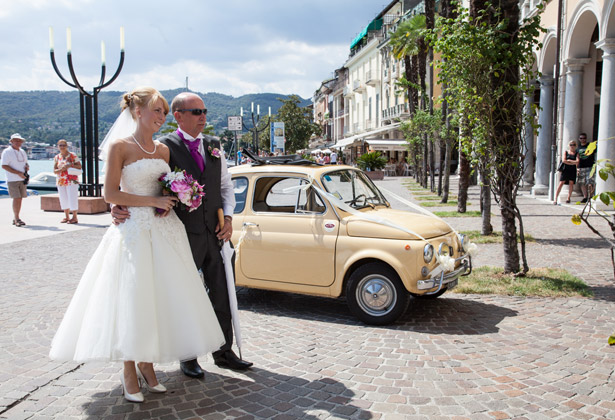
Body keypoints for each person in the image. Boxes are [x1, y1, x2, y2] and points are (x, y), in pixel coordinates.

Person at [49, 87, 225, 403]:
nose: (161, 117)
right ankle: (129, 367)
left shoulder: (163, 151)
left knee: (160, 297)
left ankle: (147, 362)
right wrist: (149, 200)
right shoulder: (120, 147)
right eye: (157, 110)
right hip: (134, 230)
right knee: (133, 296)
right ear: (137, 112)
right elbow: (111, 194)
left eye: (163, 112)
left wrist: (182, 195)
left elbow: (170, 186)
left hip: (164, 229)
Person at [113, 92, 253, 378]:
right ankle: (188, 356)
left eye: (204, 110)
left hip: (215, 232)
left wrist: (228, 218)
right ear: (178, 116)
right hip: (179, 232)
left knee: (222, 292)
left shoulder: (214, 146)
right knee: (185, 295)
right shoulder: (163, 146)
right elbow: (147, 188)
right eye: (196, 111)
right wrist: (117, 205)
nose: (203, 116)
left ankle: (224, 352)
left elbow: (225, 187)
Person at [1, 133, 29, 227]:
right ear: (11, 141)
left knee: (20, 199)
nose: (18, 142)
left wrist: (26, 168)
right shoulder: (7, 152)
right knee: (16, 198)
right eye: (16, 140)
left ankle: (16, 217)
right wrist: (18, 173)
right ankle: (16, 218)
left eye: (19, 140)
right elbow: (4, 165)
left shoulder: (22, 151)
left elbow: (25, 163)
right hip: (12, 179)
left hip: (22, 179)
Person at [53, 139, 82, 224]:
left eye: (64, 145)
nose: (62, 147)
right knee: (63, 198)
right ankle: (66, 216)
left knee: (72, 197)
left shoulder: (72, 155)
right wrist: (60, 169)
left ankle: (75, 217)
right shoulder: (57, 157)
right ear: (58, 146)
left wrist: (70, 165)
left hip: (71, 180)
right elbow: (54, 170)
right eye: (60, 145)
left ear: (67, 146)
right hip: (61, 180)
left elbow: (79, 166)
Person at [554, 140, 579, 204]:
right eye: (571, 145)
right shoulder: (566, 152)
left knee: (571, 183)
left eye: (573, 145)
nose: (572, 146)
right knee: (561, 182)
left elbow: (577, 161)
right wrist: (572, 162)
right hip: (565, 169)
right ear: (569, 145)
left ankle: (568, 198)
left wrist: (569, 161)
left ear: (575, 146)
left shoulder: (576, 153)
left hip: (572, 169)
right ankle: (555, 198)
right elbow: (564, 160)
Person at [576, 133, 596, 203]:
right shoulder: (578, 148)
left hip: (590, 166)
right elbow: (577, 158)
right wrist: (577, 167)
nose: (583, 139)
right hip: (581, 166)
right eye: (581, 138)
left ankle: (590, 196)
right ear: (579, 139)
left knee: (590, 182)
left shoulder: (589, 146)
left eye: (584, 138)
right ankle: (585, 196)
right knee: (582, 183)